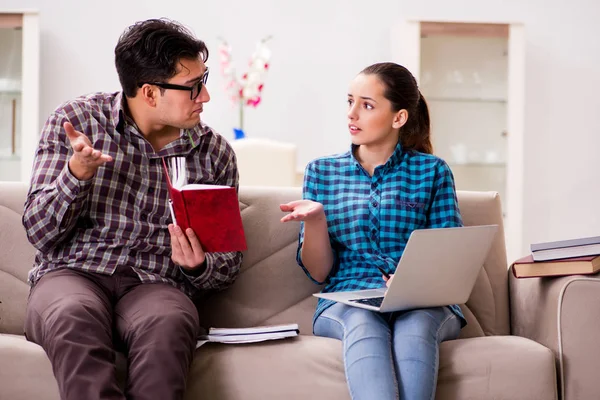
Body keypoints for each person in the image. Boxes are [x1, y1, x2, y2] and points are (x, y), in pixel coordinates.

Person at [22, 19, 242, 400]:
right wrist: (76, 175)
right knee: (73, 315)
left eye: (204, 81)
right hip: (71, 274)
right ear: (150, 93)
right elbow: (39, 232)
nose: (205, 97)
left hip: (156, 284)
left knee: (170, 322)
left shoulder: (214, 153)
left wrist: (199, 266)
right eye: (193, 87)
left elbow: (228, 263)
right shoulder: (76, 123)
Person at [280, 62, 464, 400]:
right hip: (349, 298)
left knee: (415, 329)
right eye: (349, 102)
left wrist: (413, 281)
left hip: (423, 302)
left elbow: (449, 256)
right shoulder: (322, 172)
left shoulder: (432, 171)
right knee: (363, 326)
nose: (352, 114)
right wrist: (316, 221)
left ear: (399, 118)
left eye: (366, 105)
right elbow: (319, 272)